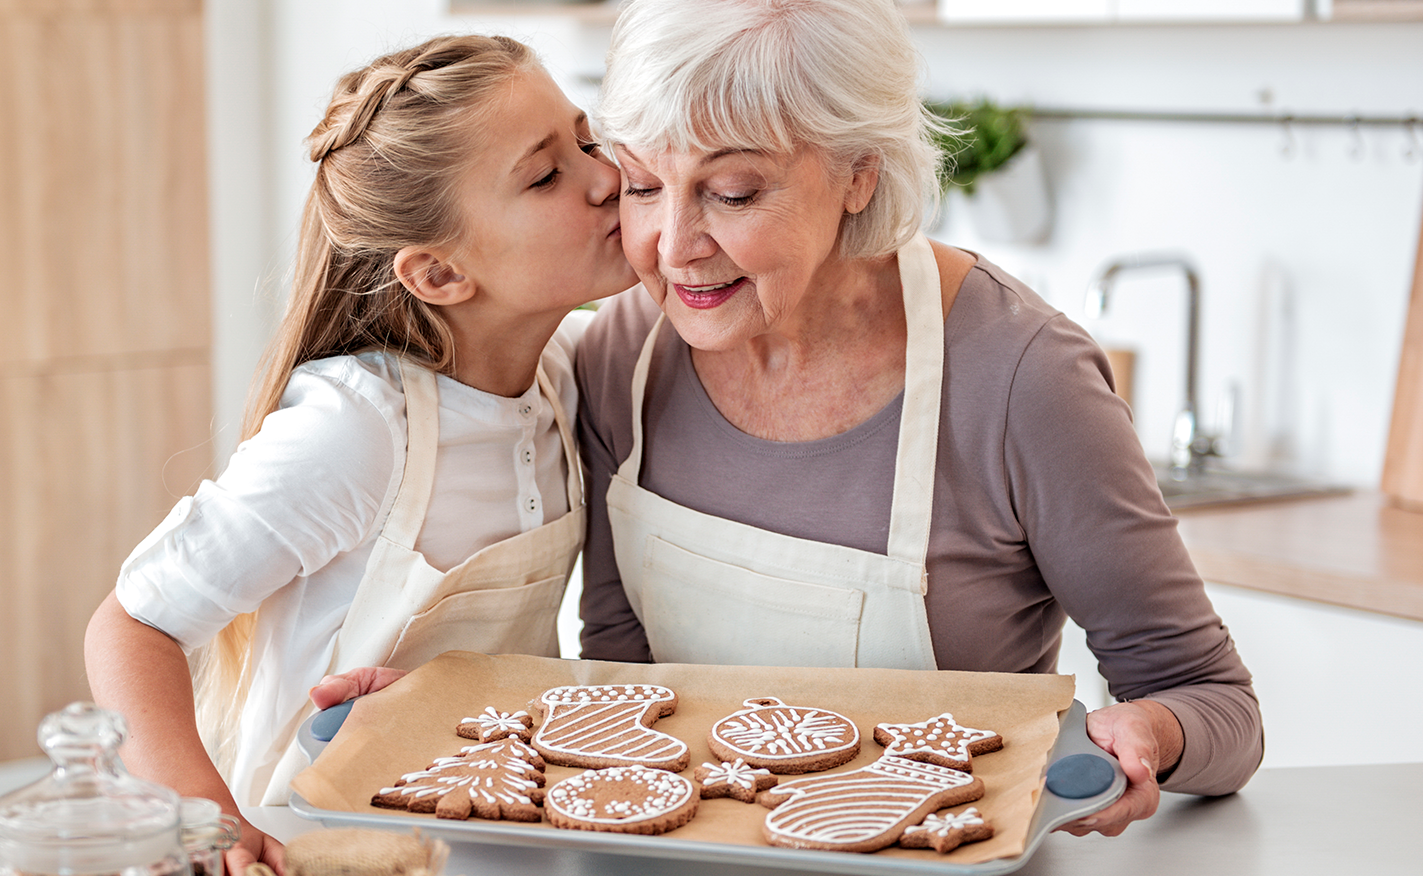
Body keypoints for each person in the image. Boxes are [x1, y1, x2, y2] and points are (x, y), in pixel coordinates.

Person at [575, 0, 1263, 837]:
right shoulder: (622, 355)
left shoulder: (1022, 379)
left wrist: (1151, 731)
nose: (672, 244)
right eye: (643, 185)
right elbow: (617, 670)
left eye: (731, 192)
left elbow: (1217, 703)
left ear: (858, 172)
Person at [83, 34, 635, 875]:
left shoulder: (563, 379)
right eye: (545, 174)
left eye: (587, 139)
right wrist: (207, 819)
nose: (607, 178)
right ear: (440, 274)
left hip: (492, 834)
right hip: (319, 844)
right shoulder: (356, 429)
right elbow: (132, 626)